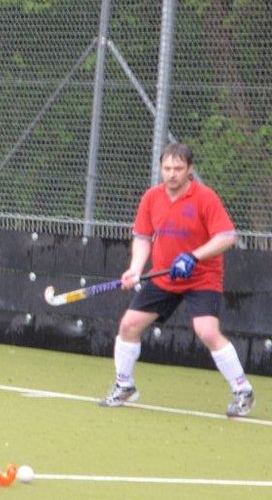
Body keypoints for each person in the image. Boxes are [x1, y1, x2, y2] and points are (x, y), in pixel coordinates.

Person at [99, 142, 254, 417]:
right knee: (129, 324)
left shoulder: (205, 198)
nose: (172, 174)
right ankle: (125, 386)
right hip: (164, 277)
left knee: (206, 331)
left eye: (178, 168)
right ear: (161, 168)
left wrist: (193, 256)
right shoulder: (151, 197)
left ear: (189, 169)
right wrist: (135, 269)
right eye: (167, 168)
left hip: (202, 277)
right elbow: (143, 237)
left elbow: (227, 237)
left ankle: (243, 391)